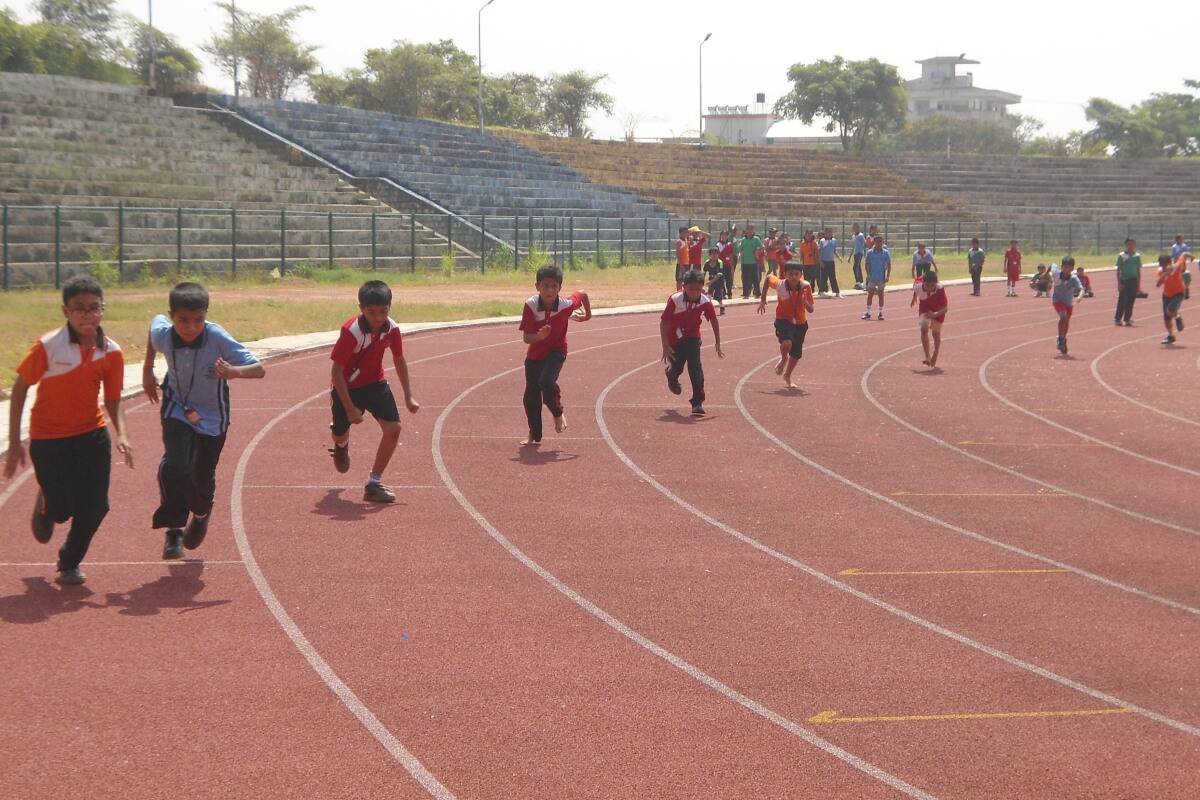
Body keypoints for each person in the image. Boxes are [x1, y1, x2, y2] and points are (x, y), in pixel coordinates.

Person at [5, 275, 132, 585]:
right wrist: (14, 440)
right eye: (79, 309)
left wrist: (123, 434)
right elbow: (21, 387)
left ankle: (69, 561)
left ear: (103, 311)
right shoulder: (49, 347)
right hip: (49, 439)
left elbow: (113, 400)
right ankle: (48, 504)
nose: (87, 315)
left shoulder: (111, 352)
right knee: (63, 510)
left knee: (96, 506)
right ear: (66, 312)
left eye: (94, 308)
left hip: (92, 434)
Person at [142, 282, 265, 557]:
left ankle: (200, 515)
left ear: (206, 316)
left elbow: (259, 369)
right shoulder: (164, 334)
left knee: (201, 475)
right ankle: (173, 531)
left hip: (212, 415)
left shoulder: (217, 337)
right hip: (176, 407)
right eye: (183, 320)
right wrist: (147, 369)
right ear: (172, 316)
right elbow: (153, 329)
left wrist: (234, 371)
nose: (190, 327)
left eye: (198, 320)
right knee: (175, 466)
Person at [325, 280, 418, 504]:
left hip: (375, 384)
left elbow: (399, 359)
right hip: (346, 387)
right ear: (361, 309)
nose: (378, 318)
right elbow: (336, 372)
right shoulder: (351, 332)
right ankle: (341, 445)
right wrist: (349, 409)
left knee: (394, 428)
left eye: (383, 311)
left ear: (390, 308)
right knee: (340, 432)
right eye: (371, 312)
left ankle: (373, 483)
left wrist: (408, 395)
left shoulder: (392, 329)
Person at [517, 265, 592, 444]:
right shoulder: (531, 305)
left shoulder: (566, 305)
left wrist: (588, 314)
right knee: (530, 398)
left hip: (556, 351)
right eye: (545, 286)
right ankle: (534, 434)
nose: (550, 290)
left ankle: (558, 413)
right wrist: (539, 336)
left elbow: (582, 293)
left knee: (546, 382)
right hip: (535, 354)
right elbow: (527, 338)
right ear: (537, 286)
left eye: (554, 286)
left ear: (560, 288)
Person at [661, 269, 723, 416]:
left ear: (702, 288)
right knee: (677, 366)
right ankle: (672, 375)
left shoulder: (705, 301)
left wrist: (717, 342)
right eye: (691, 289)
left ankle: (697, 402)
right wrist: (665, 345)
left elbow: (714, 320)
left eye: (698, 289)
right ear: (684, 287)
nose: (695, 292)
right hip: (674, 338)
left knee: (695, 366)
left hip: (693, 337)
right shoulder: (675, 300)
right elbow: (663, 322)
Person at [758, 261, 814, 390]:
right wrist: (763, 299)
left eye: (796, 274)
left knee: (796, 354)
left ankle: (787, 375)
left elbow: (811, 310)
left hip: (800, 323)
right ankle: (783, 359)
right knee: (787, 343)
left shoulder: (806, 286)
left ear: (801, 275)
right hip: (783, 319)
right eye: (790, 274)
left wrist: (804, 301)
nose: (793, 277)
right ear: (785, 274)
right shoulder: (780, 285)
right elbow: (767, 279)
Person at [911, 270, 948, 368]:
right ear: (923, 283)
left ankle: (935, 354)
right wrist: (914, 298)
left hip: (938, 309)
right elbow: (915, 290)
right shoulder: (918, 286)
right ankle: (927, 356)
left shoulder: (940, 288)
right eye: (927, 286)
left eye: (932, 286)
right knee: (924, 329)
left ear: (936, 283)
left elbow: (945, 308)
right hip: (925, 307)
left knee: (936, 334)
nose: (930, 288)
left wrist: (935, 314)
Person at [1052, 257, 1084, 355]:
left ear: (1072, 268)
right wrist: (1047, 283)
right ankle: (1060, 338)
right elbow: (1051, 266)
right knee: (1063, 317)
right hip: (1057, 300)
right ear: (1061, 267)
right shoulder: (1056, 275)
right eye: (1065, 267)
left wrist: (1079, 296)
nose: (1066, 270)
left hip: (1068, 303)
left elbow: (1082, 289)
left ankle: (1063, 338)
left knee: (1066, 322)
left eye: (1069, 268)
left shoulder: (1073, 278)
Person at [1157, 253, 1186, 345]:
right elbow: (1158, 284)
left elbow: (1184, 255)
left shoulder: (1177, 266)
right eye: (1161, 265)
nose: (1164, 266)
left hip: (1179, 292)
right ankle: (1171, 336)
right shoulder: (1160, 271)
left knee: (1170, 309)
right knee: (1166, 318)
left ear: (1170, 263)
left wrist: (1191, 257)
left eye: (1165, 264)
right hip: (1167, 294)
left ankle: (1177, 317)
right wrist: (1165, 273)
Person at [861, 236, 892, 321]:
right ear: (874, 242)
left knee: (881, 295)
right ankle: (868, 312)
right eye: (878, 242)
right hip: (872, 277)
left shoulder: (885, 253)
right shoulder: (870, 252)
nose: (879, 243)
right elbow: (867, 264)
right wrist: (868, 274)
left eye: (881, 242)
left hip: (881, 277)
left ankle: (880, 313)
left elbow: (889, 264)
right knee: (870, 294)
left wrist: (887, 275)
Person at [1115, 238, 1141, 326]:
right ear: (1126, 245)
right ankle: (1118, 319)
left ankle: (1127, 319)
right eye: (1129, 244)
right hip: (1124, 280)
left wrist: (1138, 284)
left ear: (1134, 245)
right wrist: (1119, 283)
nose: (1130, 246)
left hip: (1133, 280)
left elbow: (1138, 270)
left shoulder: (1137, 256)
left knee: (1131, 300)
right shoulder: (1121, 256)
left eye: (1132, 244)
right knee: (1122, 300)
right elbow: (1118, 270)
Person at [738, 225, 765, 299]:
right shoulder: (743, 239)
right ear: (746, 231)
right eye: (748, 230)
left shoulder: (756, 239)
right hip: (745, 262)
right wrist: (741, 254)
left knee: (755, 278)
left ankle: (757, 293)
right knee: (745, 278)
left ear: (753, 231)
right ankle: (746, 294)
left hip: (753, 262)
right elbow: (740, 248)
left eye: (751, 230)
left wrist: (757, 251)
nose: (749, 231)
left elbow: (762, 248)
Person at [818, 227, 842, 298]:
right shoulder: (822, 241)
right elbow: (819, 252)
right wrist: (820, 261)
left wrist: (839, 257)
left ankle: (837, 292)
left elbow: (834, 250)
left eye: (830, 232)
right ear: (825, 233)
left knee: (833, 277)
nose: (829, 234)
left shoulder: (834, 240)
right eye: (827, 232)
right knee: (823, 278)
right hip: (824, 262)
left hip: (831, 262)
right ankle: (821, 292)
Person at [702, 247, 727, 315]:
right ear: (709, 255)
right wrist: (701, 282)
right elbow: (703, 273)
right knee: (709, 295)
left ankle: (722, 307)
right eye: (713, 254)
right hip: (711, 280)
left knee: (718, 295)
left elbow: (719, 275)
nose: (714, 256)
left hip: (719, 281)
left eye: (716, 254)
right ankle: (707, 309)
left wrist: (711, 282)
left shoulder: (720, 262)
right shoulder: (707, 262)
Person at [716, 230, 736, 303]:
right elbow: (717, 255)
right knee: (721, 280)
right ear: (720, 236)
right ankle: (723, 294)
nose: (724, 237)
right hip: (721, 265)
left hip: (728, 265)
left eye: (725, 235)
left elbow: (731, 255)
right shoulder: (718, 244)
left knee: (729, 280)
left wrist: (732, 265)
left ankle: (729, 293)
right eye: (723, 235)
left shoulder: (729, 244)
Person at [674, 226, 692, 291]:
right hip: (681, 263)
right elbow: (678, 253)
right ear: (680, 233)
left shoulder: (686, 240)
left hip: (687, 263)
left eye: (687, 232)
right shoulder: (679, 241)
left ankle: (685, 292)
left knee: (686, 279)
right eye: (685, 232)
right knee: (679, 279)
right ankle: (678, 292)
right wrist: (681, 265)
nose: (686, 234)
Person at [850, 223, 867, 290]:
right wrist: (850, 257)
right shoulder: (854, 236)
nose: (855, 229)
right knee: (858, 267)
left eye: (856, 228)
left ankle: (858, 281)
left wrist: (862, 250)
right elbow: (854, 246)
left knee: (855, 267)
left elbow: (865, 243)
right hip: (855, 253)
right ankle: (861, 282)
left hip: (859, 253)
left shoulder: (861, 235)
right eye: (854, 228)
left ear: (858, 228)